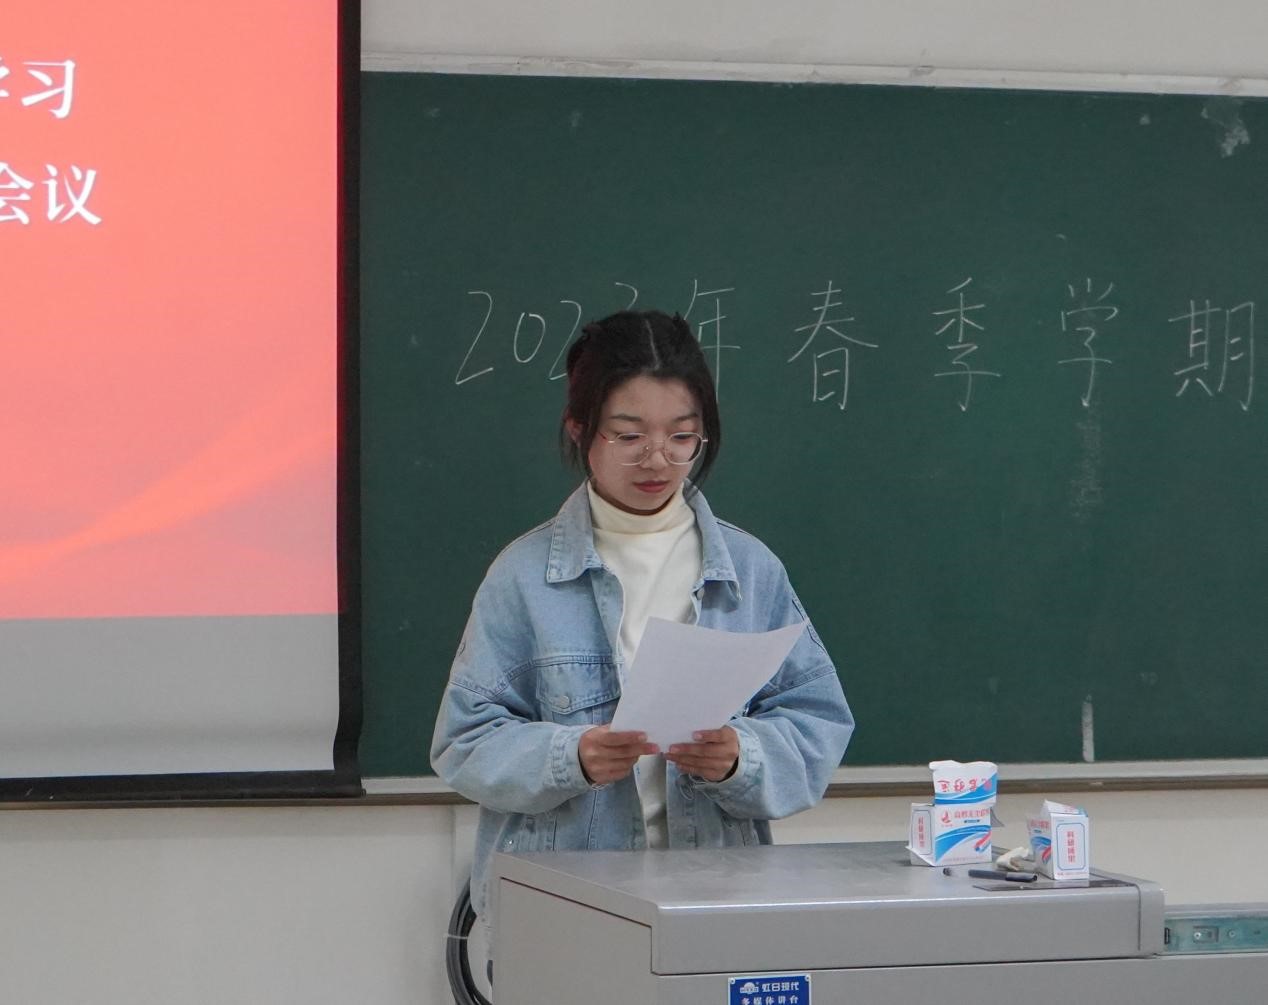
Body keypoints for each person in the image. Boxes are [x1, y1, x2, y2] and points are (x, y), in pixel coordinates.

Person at [431, 309, 854, 950]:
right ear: (580, 429)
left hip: (714, 902)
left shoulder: (750, 570)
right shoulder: (524, 577)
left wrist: (740, 758)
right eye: (628, 436)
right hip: (566, 912)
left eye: (682, 436)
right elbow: (464, 743)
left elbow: (817, 723)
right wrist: (570, 757)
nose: (657, 459)